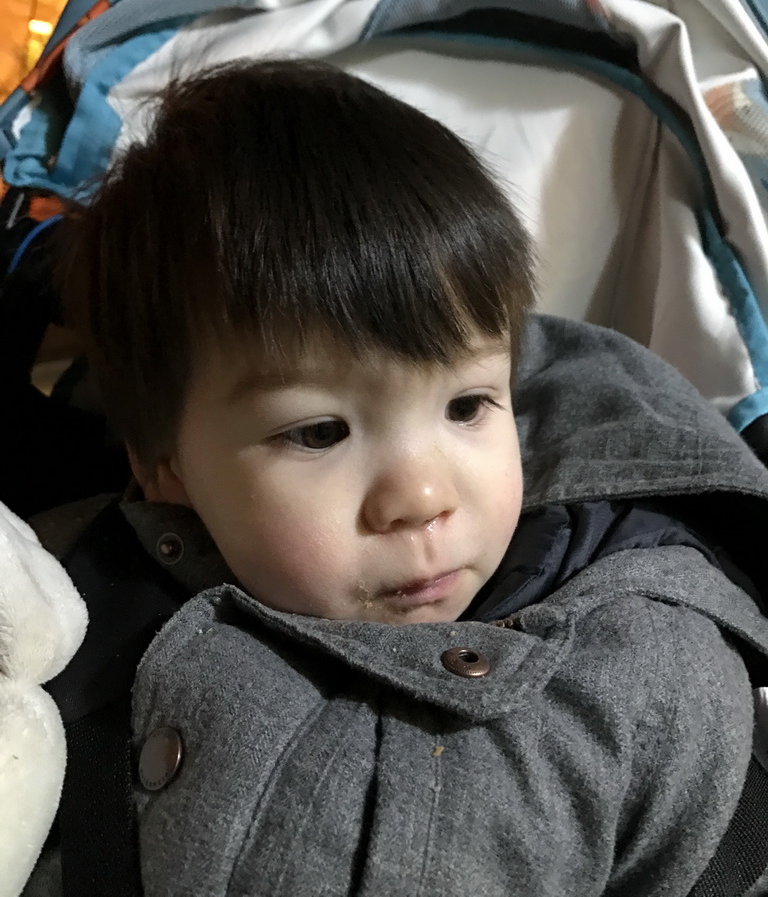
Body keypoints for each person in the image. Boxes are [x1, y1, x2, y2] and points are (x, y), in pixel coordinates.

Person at [17, 59, 768, 896]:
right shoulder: (69, 610)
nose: (422, 497)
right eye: (319, 431)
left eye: (468, 406)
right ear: (166, 469)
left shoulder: (649, 657)